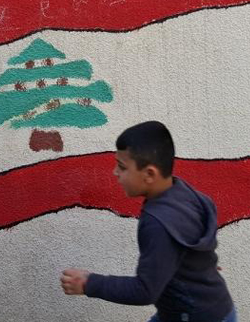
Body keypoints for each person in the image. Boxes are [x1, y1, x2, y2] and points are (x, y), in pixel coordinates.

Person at [60, 121, 236, 322]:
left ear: (150, 174)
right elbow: (192, 239)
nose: (115, 173)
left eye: (122, 167)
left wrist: (88, 283)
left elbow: (144, 290)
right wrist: (199, 266)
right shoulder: (183, 192)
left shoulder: (157, 222)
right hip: (210, 308)